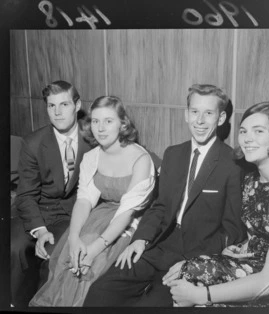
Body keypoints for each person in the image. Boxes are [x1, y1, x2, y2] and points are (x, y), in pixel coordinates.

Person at [83, 84, 246, 307]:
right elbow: (159, 206)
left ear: (221, 118)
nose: (199, 121)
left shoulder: (232, 164)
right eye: (195, 112)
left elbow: (233, 230)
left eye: (208, 113)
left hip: (194, 256)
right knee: (100, 292)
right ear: (186, 115)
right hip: (158, 245)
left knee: (149, 306)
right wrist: (140, 239)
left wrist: (196, 265)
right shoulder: (173, 154)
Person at [29, 96, 156, 306]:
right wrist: (74, 237)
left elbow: (127, 212)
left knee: (93, 265)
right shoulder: (93, 156)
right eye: (95, 121)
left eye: (108, 121)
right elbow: (84, 200)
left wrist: (95, 248)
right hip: (102, 214)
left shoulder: (140, 159)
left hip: (132, 221)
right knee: (70, 256)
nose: (100, 128)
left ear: (122, 124)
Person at [167, 102, 269, 307]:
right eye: (243, 131)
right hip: (254, 263)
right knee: (186, 270)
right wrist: (239, 247)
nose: (247, 139)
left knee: (197, 296)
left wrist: (202, 296)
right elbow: (257, 234)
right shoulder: (251, 179)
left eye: (258, 131)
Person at [11, 80, 91, 307]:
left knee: (55, 252)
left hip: (69, 213)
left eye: (64, 105)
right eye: (51, 106)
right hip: (36, 210)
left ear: (77, 105)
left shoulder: (93, 136)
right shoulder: (33, 143)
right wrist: (40, 230)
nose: (57, 112)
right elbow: (25, 195)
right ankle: (15, 303)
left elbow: (122, 147)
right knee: (14, 247)